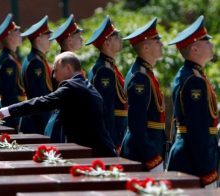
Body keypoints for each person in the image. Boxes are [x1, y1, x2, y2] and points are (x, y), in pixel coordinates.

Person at [0, 52, 117, 157]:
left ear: (68, 68)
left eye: (56, 70)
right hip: (102, 150)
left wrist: (6, 111)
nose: (54, 76)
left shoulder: (71, 86)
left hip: (94, 154)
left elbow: (41, 102)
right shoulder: (86, 85)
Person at [167, 15, 218, 187]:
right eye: (206, 41)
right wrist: (205, 169)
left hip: (190, 155)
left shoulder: (190, 75)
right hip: (194, 160)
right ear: (195, 49)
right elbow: (197, 127)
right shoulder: (193, 80)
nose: (211, 45)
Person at [120, 18, 166, 171]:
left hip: (150, 147)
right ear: (146, 48)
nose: (161, 43)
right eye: (156, 40)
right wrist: (151, 156)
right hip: (143, 153)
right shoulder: (140, 77)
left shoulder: (145, 73)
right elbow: (136, 123)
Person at [86, 16, 127, 154]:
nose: (120, 39)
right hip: (112, 134)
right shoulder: (104, 70)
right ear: (107, 43)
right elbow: (106, 109)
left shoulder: (107, 67)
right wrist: (113, 141)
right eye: (116, 37)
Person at [45, 14, 83, 142]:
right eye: (78, 36)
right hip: (65, 125)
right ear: (69, 40)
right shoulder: (63, 66)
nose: (82, 39)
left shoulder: (69, 62)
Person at [0, 13, 27, 131]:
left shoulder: (8, 58)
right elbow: (10, 94)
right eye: (17, 32)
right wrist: (14, 117)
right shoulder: (8, 62)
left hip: (6, 110)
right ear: (10, 37)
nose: (20, 35)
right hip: (9, 114)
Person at [20, 16, 53, 134]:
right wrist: (46, 124)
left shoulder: (37, 59)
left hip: (35, 117)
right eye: (48, 37)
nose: (51, 39)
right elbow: (39, 96)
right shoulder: (36, 63)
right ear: (39, 40)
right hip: (37, 121)